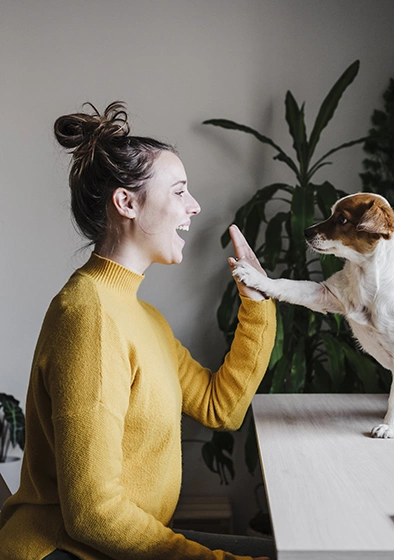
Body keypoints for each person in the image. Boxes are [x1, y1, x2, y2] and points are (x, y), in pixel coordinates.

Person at [0, 102, 276, 560]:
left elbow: (220, 408)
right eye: (180, 191)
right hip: (64, 551)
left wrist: (257, 304)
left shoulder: (142, 317)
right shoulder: (88, 314)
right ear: (126, 202)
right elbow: (93, 515)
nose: (195, 206)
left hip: (116, 544)